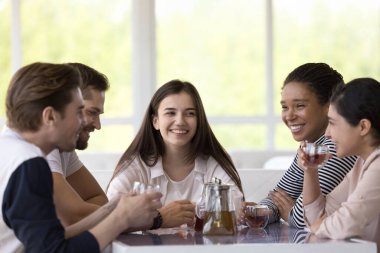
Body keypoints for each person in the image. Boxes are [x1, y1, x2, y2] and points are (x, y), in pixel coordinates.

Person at [0, 62, 162, 252]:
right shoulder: (30, 164)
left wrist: (111, 209)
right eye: (78, 112)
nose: (83, 122)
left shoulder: (10, 150)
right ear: (50, 116)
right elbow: (57, 250)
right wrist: (122, 218)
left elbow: (51, 238)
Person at [107, 79, 244, 228]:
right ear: (155, 121)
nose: (180, 121)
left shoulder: (214, 162)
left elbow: (233, 208)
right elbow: (111, 215)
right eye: (170, 113)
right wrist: (160, 218)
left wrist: (192, 211)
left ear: (199, 121)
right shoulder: (136, 166)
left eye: (190, 114)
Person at [245, 63, 357, 228]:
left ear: (329, 107)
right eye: (284, 107)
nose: (289, 116)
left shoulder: (335, 148)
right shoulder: (311, 147)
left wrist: (289, 212)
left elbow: (304, 218)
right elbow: (277, 197)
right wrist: (257, 212)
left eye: (300, 106)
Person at [300, 78, 380, 249]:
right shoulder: (361, 163)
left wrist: (319, 227)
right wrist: (310, 170)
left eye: (333, 123)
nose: (327, 134)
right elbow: (318, 217)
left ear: (363, 127)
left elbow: (346, 223)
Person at [46, 63, 109, 226]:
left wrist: (79, 211)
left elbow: (99, 199)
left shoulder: (62, 147)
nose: (98, 125)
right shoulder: (40, 147)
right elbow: (74, 215)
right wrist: (129, 215)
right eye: (92, 112)